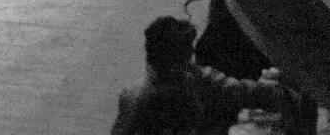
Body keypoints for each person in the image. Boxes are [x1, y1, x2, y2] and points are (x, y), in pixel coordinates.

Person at [110, 16, 300, 135]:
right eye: (187, 53)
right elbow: (232, 90)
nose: (192, 54)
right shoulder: (140, 101)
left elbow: (234, 90)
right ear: (175, 61)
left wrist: (274, 93)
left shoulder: (189, 77)